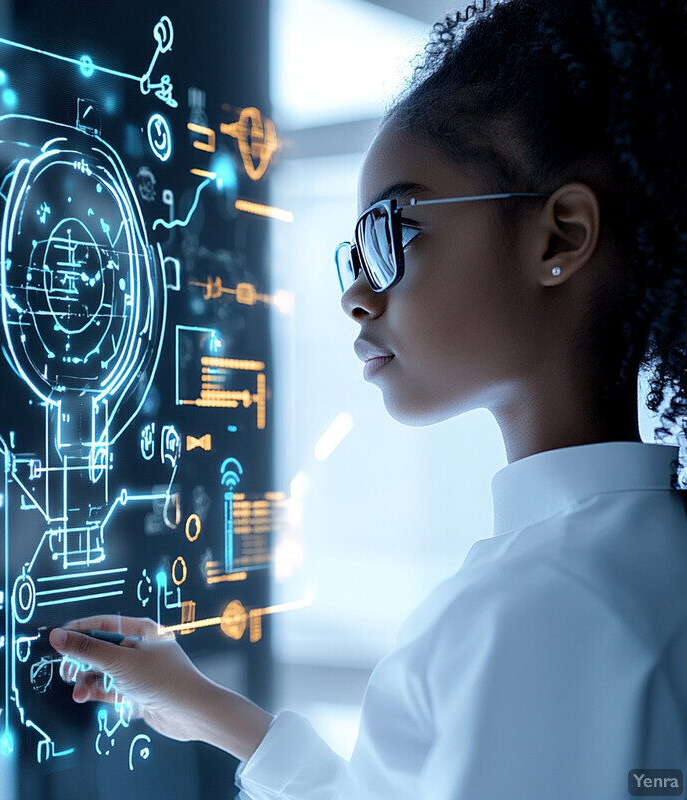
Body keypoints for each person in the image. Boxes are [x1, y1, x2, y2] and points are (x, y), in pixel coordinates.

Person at [49, 0, 687, 796]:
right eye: (351, 253)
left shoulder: (543, 609)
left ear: (559, 238)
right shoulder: (642, 556)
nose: (356, 293)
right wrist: (208, 710)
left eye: (389, 234)